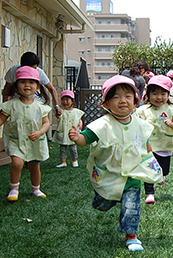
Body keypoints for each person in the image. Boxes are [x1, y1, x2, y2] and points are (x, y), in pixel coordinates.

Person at [68, 75, 161, 252]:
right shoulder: (101, 125)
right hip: (108, 175)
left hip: (132, 175)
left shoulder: (141, 125)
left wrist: (155, 172)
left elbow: (147, 148)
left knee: (131, 206)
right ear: (106, 104)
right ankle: (103, 199)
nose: (122, 101)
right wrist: (76, 137)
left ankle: (131, 236)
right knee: (103, 202)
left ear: (136, 101)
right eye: (116, 97)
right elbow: (85, 139)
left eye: (127, 96)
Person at [0, 66, 52, 201]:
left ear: (37, 87)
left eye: (31, 82)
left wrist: (40, 132)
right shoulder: (11, 105)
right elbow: (2, 118)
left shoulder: (40, 106)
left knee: (35, 167)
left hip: (34, 142)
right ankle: (14, 189)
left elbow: (46, 123)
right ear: (16, 86)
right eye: (23, 82)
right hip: (15, 140)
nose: (27, 85)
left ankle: (36, 188)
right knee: (17, 164)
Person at [136, 75, 173, 204]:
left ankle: (161, 174)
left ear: (168, 95)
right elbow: (137, 124)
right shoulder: (143, 110)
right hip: (149, 145)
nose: (159, 97)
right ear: (148, 94)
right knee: (148, 169)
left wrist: (171, 124)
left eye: (163, 94)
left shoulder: (170, 109)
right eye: (155, 93)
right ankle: (149, 193)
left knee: (165, 170)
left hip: (164, 144)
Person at [2, 52, 62, 116]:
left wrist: (56, 106)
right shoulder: (13, 71)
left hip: (35, 104)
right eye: (22, 82)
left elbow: (52, 89)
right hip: (17, 105)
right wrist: (5, 108)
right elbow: (6, 90)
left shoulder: (39, 72)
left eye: (31, 82)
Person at [54, 90, 84, 168]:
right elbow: (58, 116)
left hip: (73, 133)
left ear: (72, 101)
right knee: (63, 149)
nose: (65, 102)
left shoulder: (76, 112)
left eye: (67, 100)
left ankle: (75, 160)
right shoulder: (62, 112)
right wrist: (57, 112)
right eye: (63, 100)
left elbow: (79, 119)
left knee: (73, 148)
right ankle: (63, 162)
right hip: (63, 133)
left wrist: (80, 123)